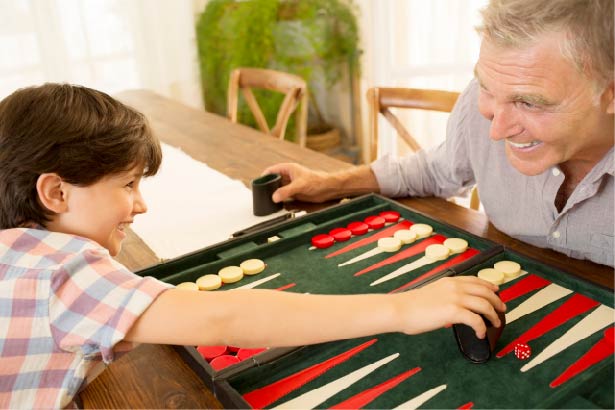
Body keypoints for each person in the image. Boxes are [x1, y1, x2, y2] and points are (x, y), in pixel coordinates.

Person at [0, 84, 505, 408]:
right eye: (128, 185)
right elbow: (222, 320)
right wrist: (402, 308)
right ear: (55, 192)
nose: (141, 206)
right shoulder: (66, 269)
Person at [264, 0, 614, 268]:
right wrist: (328, 184)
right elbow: (434, 170)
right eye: (487, 87)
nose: (496, 128)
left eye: (529, 102)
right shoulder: (483, 108)